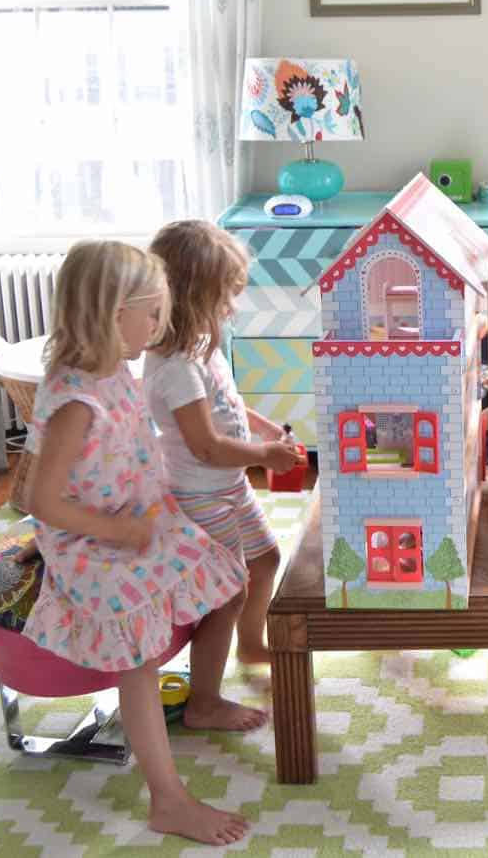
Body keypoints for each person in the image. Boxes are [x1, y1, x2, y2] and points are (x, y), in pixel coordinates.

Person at [23, 239, 264, 847]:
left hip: (134, 514)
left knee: (226, 577)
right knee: (137, 659)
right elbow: (40, 500)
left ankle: (202, 700)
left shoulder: (113, 370)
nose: (160, 325)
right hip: (95, 538)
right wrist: (115, 532)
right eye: (152, 313)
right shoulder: (76, 397)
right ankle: (168, 799)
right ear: (112, 314)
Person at [144, 220, 301, 668]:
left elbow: (225, 405)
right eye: (225, 295)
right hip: (200, 494)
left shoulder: (200, 345)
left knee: (266, 559)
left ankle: (251, 645)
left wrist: (265, 429)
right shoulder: (176, 366)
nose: (232, 306)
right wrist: (266, 455)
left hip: (226, 486)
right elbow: (206, 445)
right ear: (193, 296)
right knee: (227, 594)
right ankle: (204, 699)